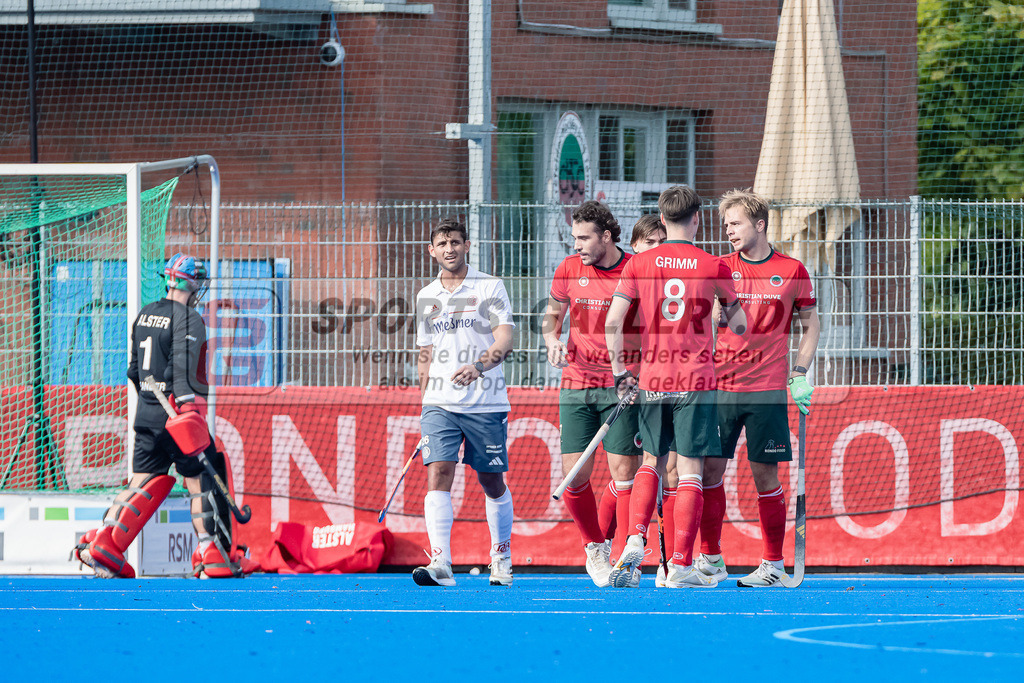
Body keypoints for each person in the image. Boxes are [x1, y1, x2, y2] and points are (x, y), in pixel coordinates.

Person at [605, 185, 747, 588]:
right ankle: (681, 565)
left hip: (653, 377)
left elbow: (612, 323)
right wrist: (720, 314)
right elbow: (740, 326)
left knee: (651, 460)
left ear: (662, 221)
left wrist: (620, 373)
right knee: (690, 471)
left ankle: (635, 537)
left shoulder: (639, 263)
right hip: (696, 379)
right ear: (697, 219)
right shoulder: (714, 264)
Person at [74, 253, 247, 579]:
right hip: (175, 416)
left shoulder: (144, 314)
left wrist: (152, 406)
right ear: (191, 283)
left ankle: (105, 540)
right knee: (200, 480)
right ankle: (210, 553)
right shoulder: (190, 319)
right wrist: (186, 412)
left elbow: (134, 371)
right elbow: (180, 372)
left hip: (147, 413)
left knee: (140, 481)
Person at [696, 189, 820, 587]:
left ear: (760, 224)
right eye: (725, 224)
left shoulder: (793, 269)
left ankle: (772, 564)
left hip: (767, 390)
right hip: (719, 388)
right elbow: (702, 323)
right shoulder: (718, 267)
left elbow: (811, 325)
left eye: (735, 224)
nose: (728, 231)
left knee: (766, 476)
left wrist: (799, 372)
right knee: (709, 472)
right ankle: (711, 558)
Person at [542, 201, 644, 587]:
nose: (578, 245)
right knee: (574, 475)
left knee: (624, 474)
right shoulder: (569, 269)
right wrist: (551, 339)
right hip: (577, 382)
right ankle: (593, 547)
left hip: (623, 385)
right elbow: (552, 317)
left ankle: (622, 559)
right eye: (574, 238)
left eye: (584, 238)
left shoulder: (635, 269)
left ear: (606, 236)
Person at [412, 217, 516, 587]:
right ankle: (441, 564)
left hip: (485, 403)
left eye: (455, 242)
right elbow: (425, 352)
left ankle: (500, 556)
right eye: (442, 244)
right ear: (432, 250)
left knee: (491, 481)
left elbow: (504, 340)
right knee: (438, 472)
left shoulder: (490, 286)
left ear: (467, 245)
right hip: (439, 403)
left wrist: (479, 366)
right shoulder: (426, 296)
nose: (449, 249)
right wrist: (425, 401)